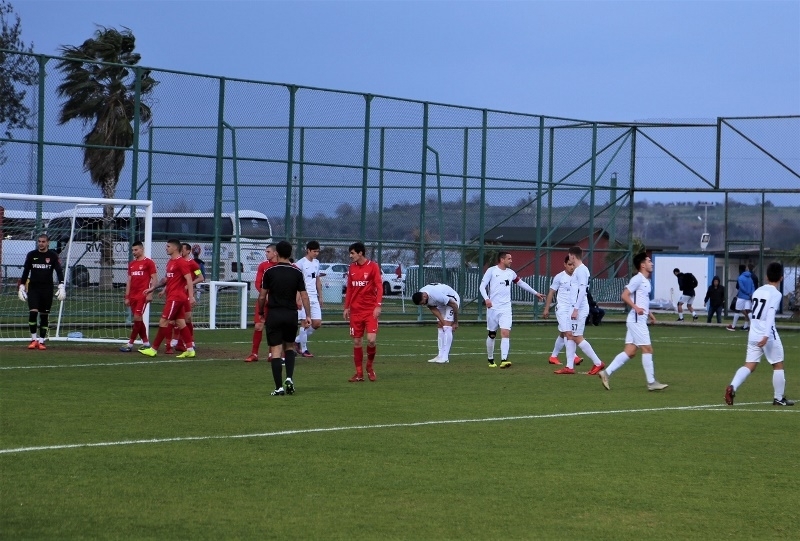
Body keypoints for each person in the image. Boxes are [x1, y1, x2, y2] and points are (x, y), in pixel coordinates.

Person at [725, 262, 794, 406]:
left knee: (749, 365)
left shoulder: (758, 291)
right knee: (778, 364)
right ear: (781, 278)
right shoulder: (776, 294)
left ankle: (732, 386)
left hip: (753, 332)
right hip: (767, 334)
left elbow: (753, 311)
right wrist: (767, 335)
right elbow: (770, 314)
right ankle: (778, 398)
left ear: (766, 277)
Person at [598, 253, 668, 392]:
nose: (651, 263)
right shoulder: (637, 279)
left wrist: (650, 314)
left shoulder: (646, 281)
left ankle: (606, 373)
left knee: (630, 352)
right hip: (636, 320)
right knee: (648, 349)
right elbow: (624, 295)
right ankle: (651, 382)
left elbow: (642, 301)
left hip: (637, 319)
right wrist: (636, 308)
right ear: (642, 265)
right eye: (649, 261)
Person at [259, 240, 311, 396]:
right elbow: (304, 296)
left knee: (276, 350)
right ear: (290, 253)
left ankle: (278, 388)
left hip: (274, 314)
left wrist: (261, 312)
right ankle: (289, 378)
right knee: (289, 347)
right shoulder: (297, 272)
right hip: (290, 314)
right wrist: (308, 315)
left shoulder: (269, 271)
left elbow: (262, 296)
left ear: (277, 253)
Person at [479, 251, 545, 368]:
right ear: (502, 259)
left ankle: (504, 359)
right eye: (509, 258)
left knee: (505, 332)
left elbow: (521, 283)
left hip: (506, 308)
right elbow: (482, 286)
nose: (511, 261)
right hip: (493, 308)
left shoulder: (511, 273)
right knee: (492, 334)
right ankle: (490, 359)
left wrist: (535, 293)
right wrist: (486, 299)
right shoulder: (492, 271)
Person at [138, 239, 196, 358]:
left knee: (163, 321)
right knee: (181, 323)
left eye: (168, 246)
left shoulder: (181, 262)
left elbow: (189, 279)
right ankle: (190, 349)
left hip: (176, 298)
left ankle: (153, 349)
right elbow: (166, 280)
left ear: (175, 248)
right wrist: (152, 288)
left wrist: (191, 297)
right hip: (173, 297)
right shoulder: (170, 262)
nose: (166, 248)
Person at [554, 246, 606, 375]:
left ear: (572, 256)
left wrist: (576, 309)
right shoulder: (578, 270)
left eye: (569, 256)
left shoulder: (582, 270)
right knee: (570, 336)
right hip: (574, 307)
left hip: (579, 308)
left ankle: (598, 363)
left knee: (577, 337)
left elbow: (582, 291)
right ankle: (569, 367)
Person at [18, 234, 66, 350]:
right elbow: (26, 271)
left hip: (47, 289)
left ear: (48, 243)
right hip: (33, 289)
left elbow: (59, 271)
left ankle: (41, 341)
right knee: (33, 313)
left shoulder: (53, 256)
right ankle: (33, 340)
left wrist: (61, 285)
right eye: (39, 241)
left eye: (43, 241)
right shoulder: (31, 255)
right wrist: (22, 285)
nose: (41, 243)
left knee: (44, 316)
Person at [343, 241, 383, 382]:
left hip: (370, 310)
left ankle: (369, 367)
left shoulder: (373, 266)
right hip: (356, 311)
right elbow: (350, 288)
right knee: (357, 341)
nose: (350, 256)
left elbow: (379, 286)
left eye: (352, 253)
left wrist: (378, 305)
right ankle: (359, 373)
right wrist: (346, 307)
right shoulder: (352, 268)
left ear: (360, 253)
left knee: (371, 340)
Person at [542, 256, 583, 367]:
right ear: (565, 264)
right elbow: (551, 292)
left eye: (574, 265)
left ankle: (553, 356)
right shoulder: (559, 277)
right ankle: (574, 357)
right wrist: (546, 309)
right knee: (568, 333)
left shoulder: (578, 277)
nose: (572, 267)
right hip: (562, 309)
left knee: (563, 333)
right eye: (569, 264)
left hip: (572, 310)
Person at [120, 241, 157, 352]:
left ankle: (130, 344)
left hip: (142, 295)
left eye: (136, 250)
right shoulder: (131, 264)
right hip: (132, 296)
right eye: (132, 250)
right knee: (138, 319)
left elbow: (154, 279)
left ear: (142, 249)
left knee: (137, 317)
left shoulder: (149, 262)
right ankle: (146, 343)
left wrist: (150, 293)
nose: (134, 252)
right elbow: (129, 281)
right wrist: (127, 297)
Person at [168, 242, 205, 353]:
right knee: (178, 319)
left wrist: (190, 284)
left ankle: (188, 342)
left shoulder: (192, 263)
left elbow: (201, 277)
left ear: (188, 251)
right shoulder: (176, 262)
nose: (181, 251)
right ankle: (177, 341)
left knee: (186, 319)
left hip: (187, 294)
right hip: (177, 294)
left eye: (183, 249)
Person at [412, 283, 460, 364]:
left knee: (447, 326)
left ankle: (445, 357)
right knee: (440, 325)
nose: (423, 305)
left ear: (424, 296)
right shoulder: (422, 295)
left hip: (451, 300)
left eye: (423, 303)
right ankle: (440, 355)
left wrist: (455, 322)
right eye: (421, 304)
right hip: (440, 303)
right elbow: (432, 308)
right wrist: (442, 321)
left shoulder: (435, 295)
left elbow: (454, 305)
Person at [245, 244, 277, 362]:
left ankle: (272, 354)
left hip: (276, 301)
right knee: (258, 326)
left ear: (275, 253)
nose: (266, 254)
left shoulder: (281, 265)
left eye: (268, 251)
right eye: (266, 251)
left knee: (273, 327)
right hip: (263, 300)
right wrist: (265, 294)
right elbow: (258, 283)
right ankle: (254, 354)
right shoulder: (263, 265)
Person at [293, 240, 324, 357]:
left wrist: (320, 296)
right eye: (314, 251)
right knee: (305, 322)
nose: (316, 253)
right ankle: (304, 349)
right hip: (303, 296)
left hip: (314, 296)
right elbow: (296, 282)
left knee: (317, 323)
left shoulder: (316, 263)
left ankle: (297, 341)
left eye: (318, 251)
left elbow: (317, 280)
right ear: (308, 250)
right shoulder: (300, 263)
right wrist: (298, 298)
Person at [728, 264, 755, 331]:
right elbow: (753, 287)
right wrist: (751, 294)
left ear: (740, 270)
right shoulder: (750, 278)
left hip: (741, 297)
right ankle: (752, 326)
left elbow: (742, 288)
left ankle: (733, 326)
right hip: (748, 297)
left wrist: (747, 293)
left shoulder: (740, 278)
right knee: (748, 311)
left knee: (737, 310)